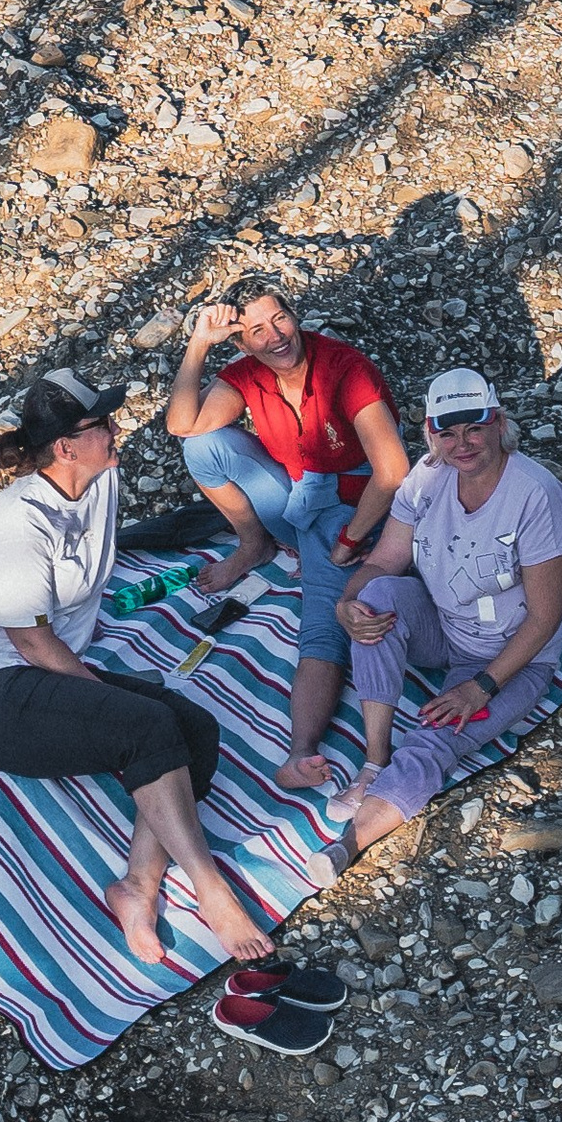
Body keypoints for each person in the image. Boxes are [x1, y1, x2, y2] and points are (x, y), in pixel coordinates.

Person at [0, 371, 272, 970]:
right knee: (143, 724)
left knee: (193, 726)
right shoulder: (13, 524)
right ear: (66, 447)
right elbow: (33, 644)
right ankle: (210, 886)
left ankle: (138, 887)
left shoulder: (102, 478)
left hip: (41, 677)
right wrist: (106, 701)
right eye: (103, 424)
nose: (118, 430)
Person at [164, 278, 412, 795]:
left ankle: (300, 752)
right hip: (297, 496)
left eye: (280, 319)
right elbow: (182, 425)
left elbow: (392, 471)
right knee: (203, 449)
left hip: (350, 507)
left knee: (323, 627)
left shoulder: (345, 369)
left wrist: (350, 539)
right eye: (255, 330)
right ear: (240, 341)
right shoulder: (247, 374)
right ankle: (255, 543)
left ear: (295, 316)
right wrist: (198, 344)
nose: (275, 337)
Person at [331, 367, 562, 852]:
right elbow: (386, 559)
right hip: (445, 627)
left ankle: (349, 845)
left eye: (474, 428)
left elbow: (546, 616)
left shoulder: (536, 495)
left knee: (439, 736)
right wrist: (347, 603)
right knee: (374, 599)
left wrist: (481, 686)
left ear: (498, 423)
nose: (462, 444)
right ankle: (374, 760)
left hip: (513, 658)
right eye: (447, 432)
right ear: (431, 433)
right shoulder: (427, 478)